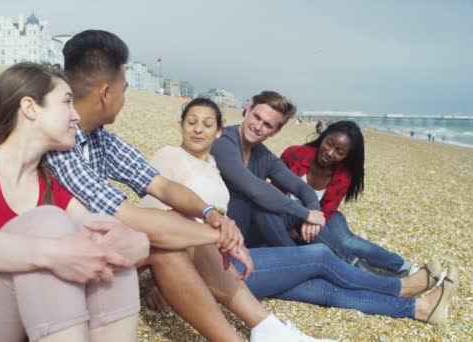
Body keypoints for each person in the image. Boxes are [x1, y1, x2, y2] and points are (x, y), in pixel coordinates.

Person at [44, 30, 316, 341]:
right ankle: (260, 332)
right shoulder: (61, 142)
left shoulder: (97, 137)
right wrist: (218, 235)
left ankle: (262, 331)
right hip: (63, 263)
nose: (125, 97)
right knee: (173, 239)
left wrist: (212, 214)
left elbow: (159, 184)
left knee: (178, 236)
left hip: (102, 245)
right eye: (125, 88)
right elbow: (129, 217)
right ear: (106, 92)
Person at [141, 97, 459, 324]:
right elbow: (153, 221)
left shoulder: (211, 163)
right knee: (319, 258)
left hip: (228, 259)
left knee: (321, 290)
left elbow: (297, 186)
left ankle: (419, 309)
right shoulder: (171, 155)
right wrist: (154, 278)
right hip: (200, 270)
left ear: (218, 128)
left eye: (208, 124)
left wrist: (310, 206)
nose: (199, 130)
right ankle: (402, 286)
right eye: (192, 122)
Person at [0, 63, 150, 342]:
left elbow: (101, 234)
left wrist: (137, 242)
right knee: (47, 222)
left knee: (101, 229)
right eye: (66, 102)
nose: (77, 116)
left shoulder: (54, 188)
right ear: (30, 108)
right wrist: (52, 253)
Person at [279, 121, 415, 276]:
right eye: (329, 143)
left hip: (323, 215)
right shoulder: (294, 154)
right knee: (331, 244)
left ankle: (403, 266)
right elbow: (273, 191)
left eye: (339, 152)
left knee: (346, 240)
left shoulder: (343, 176)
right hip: (287, 213)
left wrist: (307, 224)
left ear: (346, 156)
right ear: (323, 137)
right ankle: (364, 271)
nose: (330, 153)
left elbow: (327, 211)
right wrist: (290, 226)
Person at [211, 90, 326, 249]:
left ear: (275, 131)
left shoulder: (263, 154)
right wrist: (306, 214)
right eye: (257, 117)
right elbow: (253, 188)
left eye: (267, 125)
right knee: (260, 203)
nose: (258, 127)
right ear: (248, 111)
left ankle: (346, 258)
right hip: (224, 235)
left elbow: (301, 187)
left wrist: (313, 211)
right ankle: (300, 258)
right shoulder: (223, 140)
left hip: (252, 231)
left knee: (312, 221)